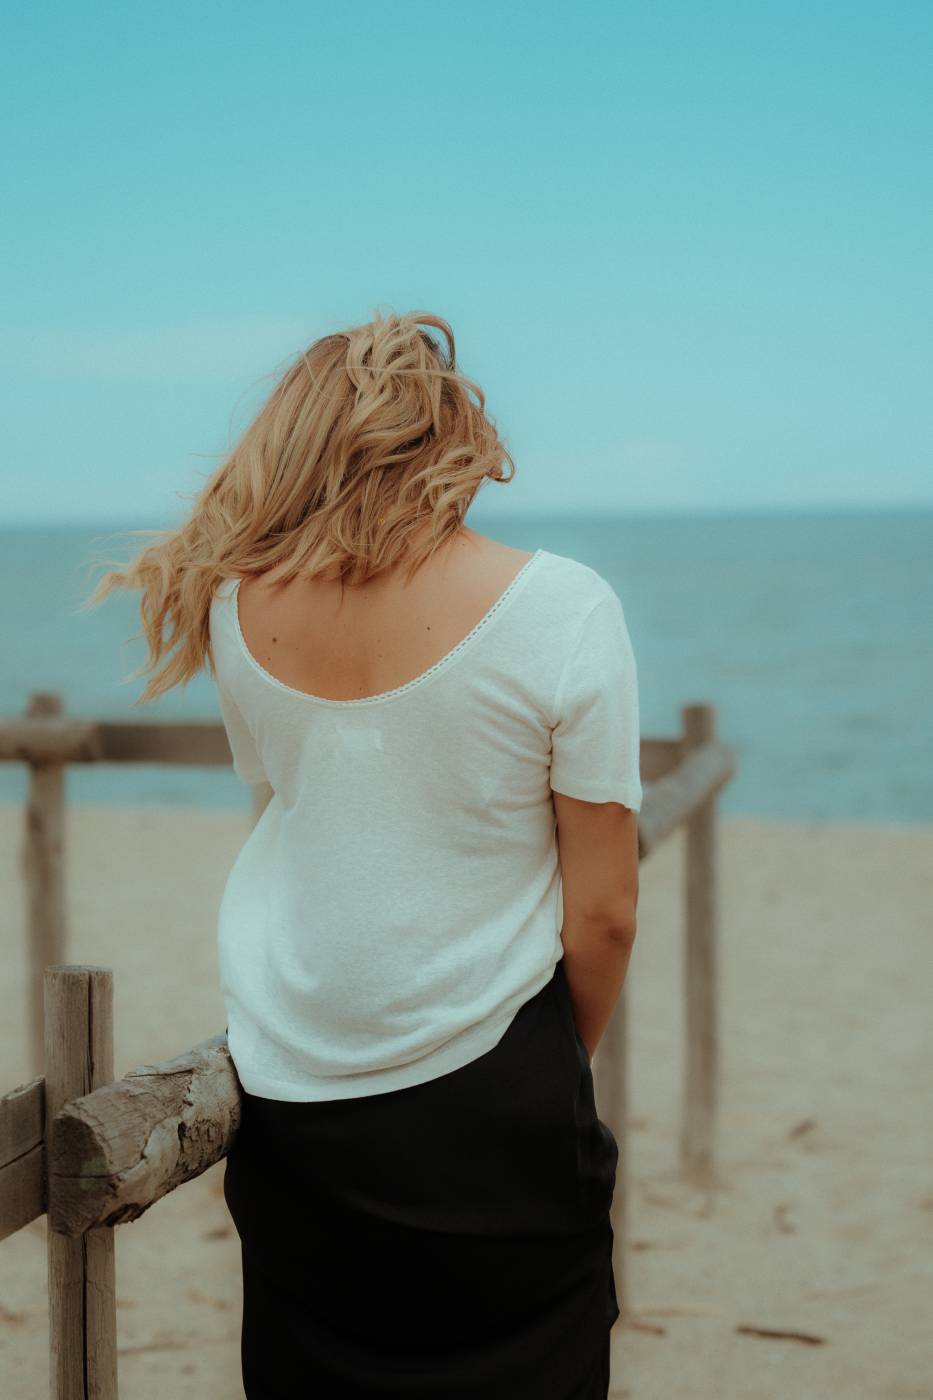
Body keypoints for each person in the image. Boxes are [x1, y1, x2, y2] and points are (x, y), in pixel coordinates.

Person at [88, 308, 642, 1398]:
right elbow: (606, 911)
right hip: (499, 1085)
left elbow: (296, 806)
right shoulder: (563, 606)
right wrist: (545, 1061)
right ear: (453, 435)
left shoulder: (237, 607)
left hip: (298, 1092)